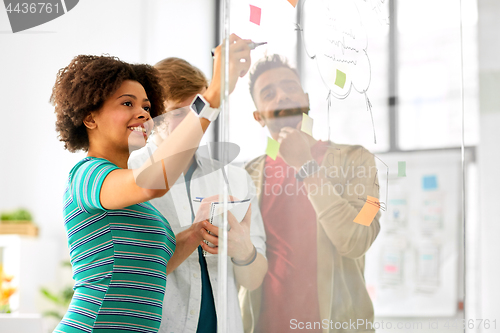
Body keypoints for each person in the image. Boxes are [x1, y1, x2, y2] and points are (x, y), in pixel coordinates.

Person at [51, 34, 252, 333]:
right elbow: (153, 182)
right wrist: (212, 97)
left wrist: (199, 231)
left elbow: (156, 266)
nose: (143, 113)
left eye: (146, 106)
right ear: (90, 118)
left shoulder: (137, 201)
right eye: (127, 103)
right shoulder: (86, 175)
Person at [239, 54, 381, 333]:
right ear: (258, 116)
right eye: (269, 93)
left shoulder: (359, 161)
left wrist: (306, 166)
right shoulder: (247, 176)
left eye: (290, 87)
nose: (282, 96)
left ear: (306, 98)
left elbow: (357, 239)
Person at [128, 57, 268, 333]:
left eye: (197, 110)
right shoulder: (129, 176)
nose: (193, 122)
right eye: (177, 112)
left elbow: (254, 280)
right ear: (153, 115)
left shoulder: (234, 179)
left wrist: (245, 252)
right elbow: (132, 275)